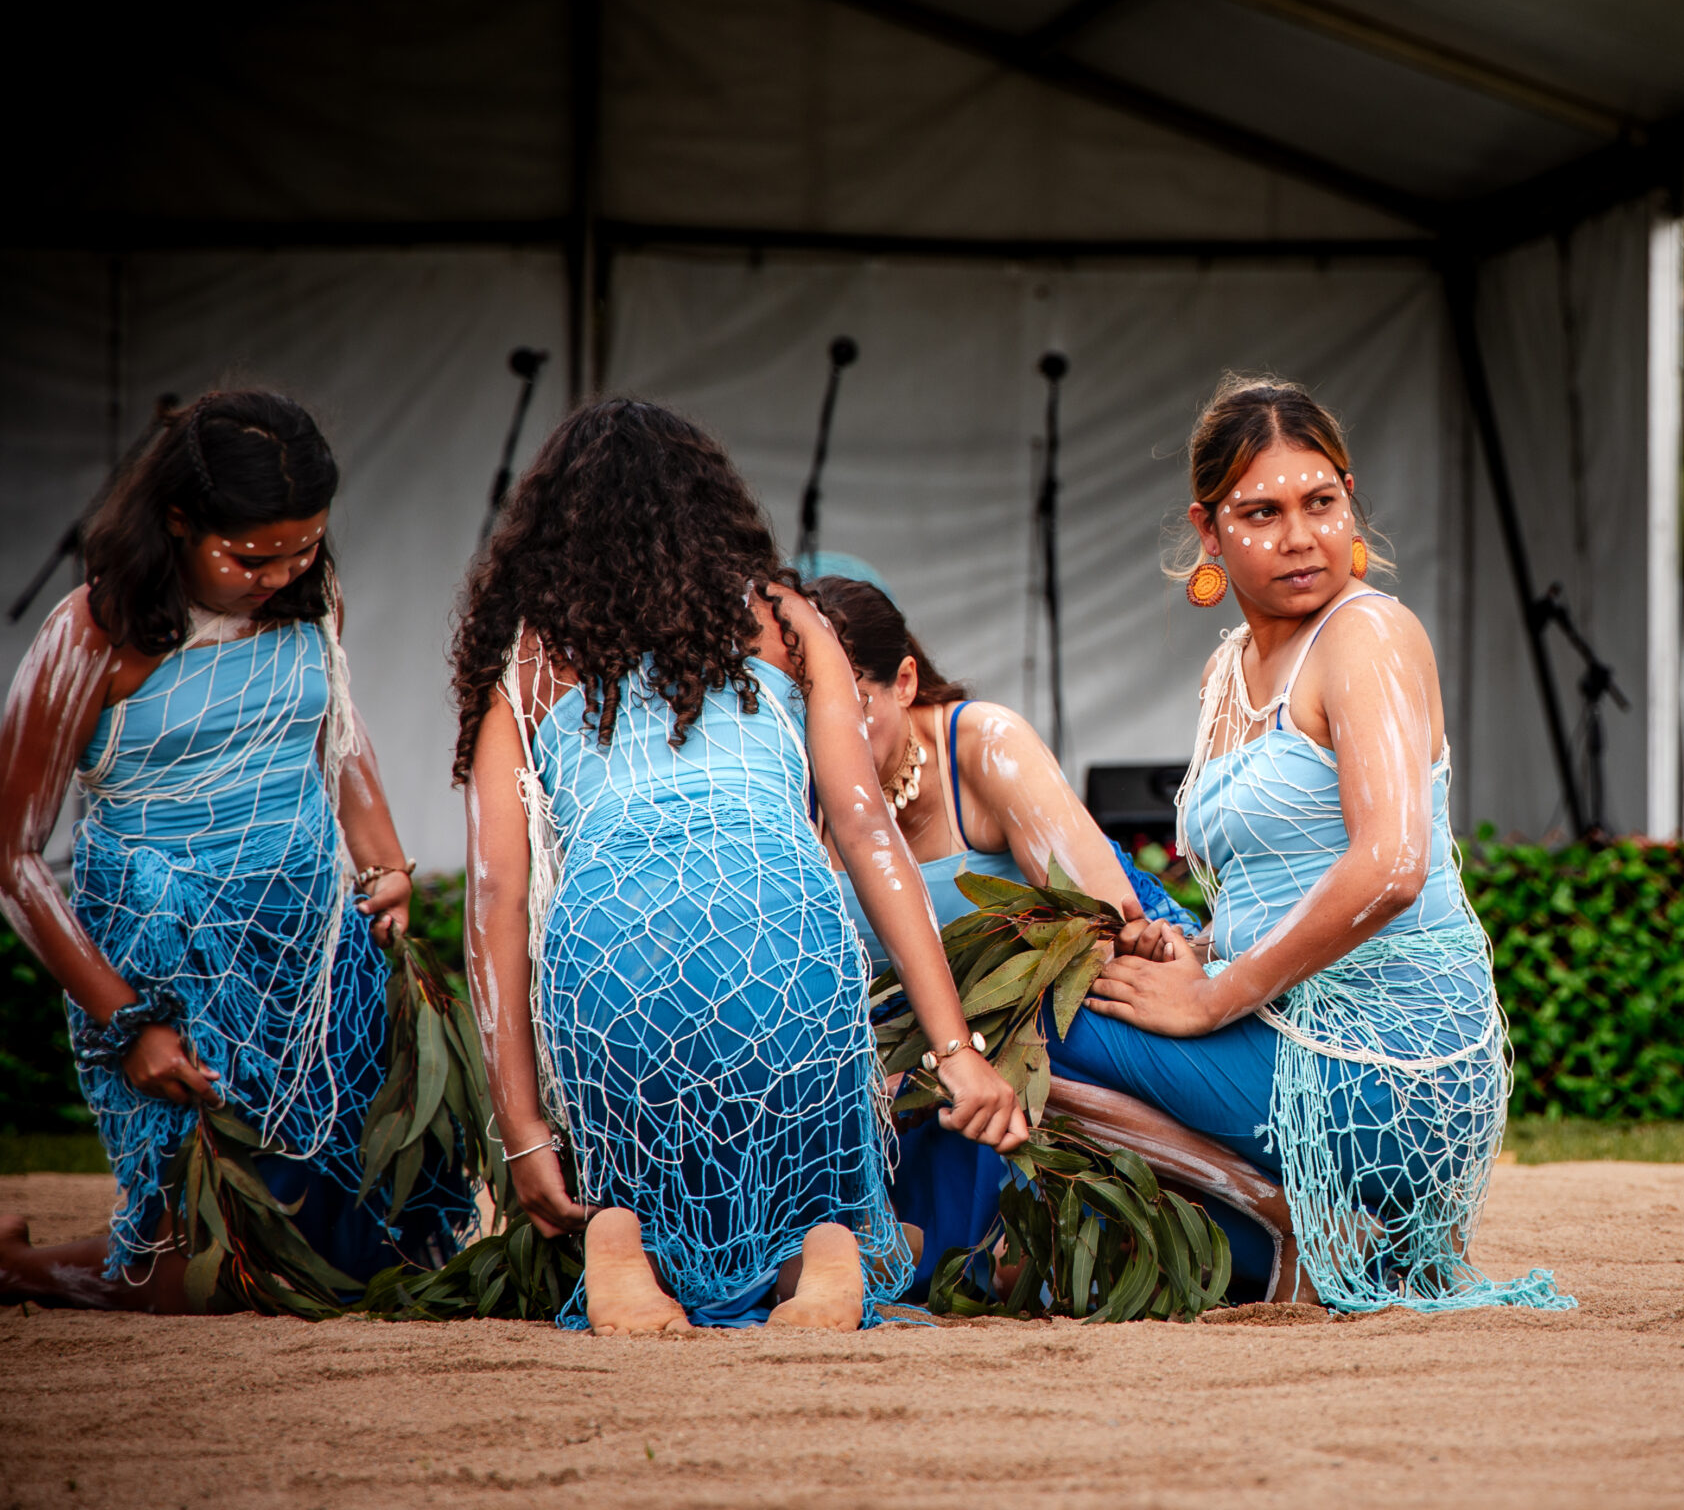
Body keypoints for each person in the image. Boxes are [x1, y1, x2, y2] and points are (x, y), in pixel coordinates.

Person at [453, 399, 1026, 1334]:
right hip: (780, 934)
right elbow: (869, 832)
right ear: (717, 510)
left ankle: (623, 1235)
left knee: (641, 1075)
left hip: (613, 954)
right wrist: (956, 1051)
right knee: (801, 1135)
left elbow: (497, 898)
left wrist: (522, 1129)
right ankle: (822, 1244)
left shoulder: (527, 661)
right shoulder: (789, 624)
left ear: (550, 535)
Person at [1060, 374, 1569, 1312]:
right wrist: (1198, 947)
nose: (1300, 536)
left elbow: (1390, 868)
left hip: (1396, 1073)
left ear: (1349, 499)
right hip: (1293, 1035)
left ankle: (1296, 1221)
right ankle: (1285, 1232)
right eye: (1261, 512)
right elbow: (1275, 882)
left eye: (1321, 502)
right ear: (1208, 532)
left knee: (1017, 1028)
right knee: (1072, 990)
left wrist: (1211, 997)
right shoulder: (1228, 672)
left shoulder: (1367, 635)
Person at [0, 390, 465, 1310]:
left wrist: (386, 866)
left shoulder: (309, 594)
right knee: (211, 1265)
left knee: (357, 1242)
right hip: (164, 954)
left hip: (311, 943)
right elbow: (12, 861)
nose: (281, 572)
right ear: (176, 521)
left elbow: (337, 726)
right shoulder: (92, 633)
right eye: (252, 555)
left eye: (304, 547)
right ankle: (13, 1269)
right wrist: (126, 1021)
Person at [804, 576, 1198, 958]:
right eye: (802, 708)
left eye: (855, 704)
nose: (824, 731)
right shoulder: (789, 776)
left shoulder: (987, 743)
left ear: (904, 682)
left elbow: (1106, 935)